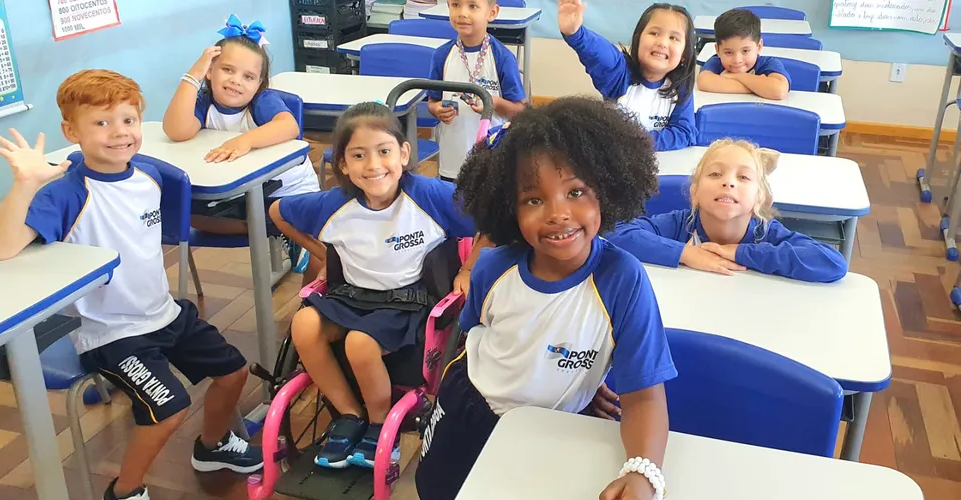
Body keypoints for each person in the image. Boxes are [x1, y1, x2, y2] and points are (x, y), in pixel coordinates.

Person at [0, 69, 262, 500]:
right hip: (110, 331)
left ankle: (212, 446)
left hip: (164, 312)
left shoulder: (149, 176)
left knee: (234, 371)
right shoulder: (66, 193)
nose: (119, 133)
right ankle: (126, 491)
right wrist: (25, 185)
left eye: (128, 120)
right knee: (168, 410)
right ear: (71, 131)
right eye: (101, 123)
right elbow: (1, 249)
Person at [415, 97, 677, 500]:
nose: (558, 213)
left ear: (606, 189)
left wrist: (642, 472)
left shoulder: (623, 281)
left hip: (556, 429)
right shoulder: (492, 268)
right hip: (469, 410)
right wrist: (552, 368)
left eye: (576, 191)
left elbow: (644, 397)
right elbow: (475, 339)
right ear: (509, 207)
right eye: (534, 199)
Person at [269, 102, 489, 469]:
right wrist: (326, 257)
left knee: (360, 342)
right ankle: (349, 414)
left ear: (403, 153)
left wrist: (468, 268)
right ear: (343, 164)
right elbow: (278, 212)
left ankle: (379, 423)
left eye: (384, 152)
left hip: (406, 302)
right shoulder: (335, 203)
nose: (373, 165)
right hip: (350, 296)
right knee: (303, 324)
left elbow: (491, 221)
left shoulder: (428, 196)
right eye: (358, 155)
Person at [163, 14, 319, 238]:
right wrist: (192, 76)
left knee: (260, 221)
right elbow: (176, 131)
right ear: (210, 71)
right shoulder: (205, 101)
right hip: (242, 191)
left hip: (288, 192)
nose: (236, 80)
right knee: (185, 213)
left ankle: (292, 234)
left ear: (259, 84)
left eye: (248, 77)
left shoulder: (261, 101)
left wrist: (245, 140)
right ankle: (277, 231)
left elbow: (289, 126)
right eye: (227, 70)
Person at [608, 138, 847, 283]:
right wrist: (685, 253)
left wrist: (741, 253)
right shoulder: (680, 224)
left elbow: (832, 263)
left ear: (760, 198)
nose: (728, 182)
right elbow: (614, 233)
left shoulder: (766, 234)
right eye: (715, 174)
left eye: (743, 177)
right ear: (694, 192)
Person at [560, 0, 696, 151]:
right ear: (638, 39)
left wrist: (635, 140)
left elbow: (684, 133)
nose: (662, 43)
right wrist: (576, 34)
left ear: (685, 54)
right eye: (654, 33)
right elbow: (601, 53)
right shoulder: (620, 74)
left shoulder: (680, 87)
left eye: (674, 38)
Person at [427, 0, 526, 181]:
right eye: (455, 5)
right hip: (452, 159)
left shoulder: (502, 58)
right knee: (452, 197)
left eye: (473, 6)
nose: (462, 13)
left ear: (492, 13)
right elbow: (432, 102)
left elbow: (520, 112)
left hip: (492, 159)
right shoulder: (441, 55)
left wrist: (493, 103)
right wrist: (437, 109)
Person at [696, 8, 791, 100]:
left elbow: (779, 90)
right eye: (728, 52)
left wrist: (736, 76)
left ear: (759, 46)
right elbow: (703, 82)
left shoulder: (768, 63)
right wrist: (760, 88)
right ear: (718, 50)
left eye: (745, 51)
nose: (737, 60)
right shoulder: (716, 62)